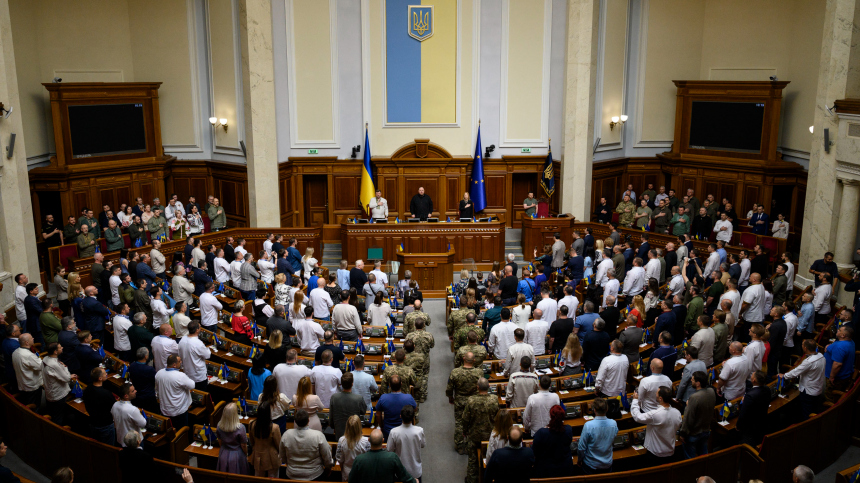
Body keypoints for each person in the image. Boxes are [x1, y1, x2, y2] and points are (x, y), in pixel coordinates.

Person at [462, 378, 500, 483]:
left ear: (477, 387)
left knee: (473, 459)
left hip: (474, 434)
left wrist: (464, 431)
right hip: (490, 435)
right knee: (490, 457)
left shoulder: (471, 400)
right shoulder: (494, 399)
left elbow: (465, 418)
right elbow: (497, 417)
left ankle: (471, 480)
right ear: (488, 387)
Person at [631, 386, 682, 463]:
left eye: (657, 393)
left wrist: (635, 400)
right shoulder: (677, 413)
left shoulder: (656, 414)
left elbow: (637, 417)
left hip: (655, 454)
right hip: (670, 451)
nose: (655, 394)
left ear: (661, 398)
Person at [279, 408, 333, 480]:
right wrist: (328, 468)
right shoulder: (318, 435)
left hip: (292, 474)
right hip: (314, 475)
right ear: (308, 420)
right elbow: (327, 457)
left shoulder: (286, 434)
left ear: (295, 421)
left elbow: (282, 456)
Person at [446, 352, 484, 454]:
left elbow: (450, 388)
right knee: (472, 421)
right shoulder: (479, 373)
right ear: (474, 360)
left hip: (459, 401)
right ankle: (470, 444)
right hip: (474, 401)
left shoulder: (455, 372)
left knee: (459, 423)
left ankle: (459, 446)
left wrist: (450, 397)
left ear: (463, 359)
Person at [349, 428, 416, 483]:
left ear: (369, 440)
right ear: (383, 440)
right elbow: (404, 476)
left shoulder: (359, 459)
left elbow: (351, 480)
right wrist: (414, 481)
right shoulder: (392, 457)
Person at [781, 339, 825, 421]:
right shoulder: (821, 356)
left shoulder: (809, 362)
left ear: (805, 348)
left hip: (808, 391)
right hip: (818, 388)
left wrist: (784, 376)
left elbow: (795, 372)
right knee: (814, 408)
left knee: (807, 413)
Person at [531, 404, 575, 477]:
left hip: (546, 470)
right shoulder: (568, 429)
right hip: (565, 468)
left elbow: (534, 451)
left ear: (551, 416)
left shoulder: (542, 432)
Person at [679, 371, 715, 458]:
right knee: (704, 454)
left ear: (698, 383)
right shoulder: (711, 391)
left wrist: (683, 433)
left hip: (694, 433)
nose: (691, 381)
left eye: (693, 380)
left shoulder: (694, 398)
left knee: (690, 458)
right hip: (706, 430)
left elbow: (689, 418)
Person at [155, 354, 195, 429]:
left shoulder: (159, 373)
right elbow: (192, 385)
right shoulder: (180, 376)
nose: (181, 362)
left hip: (165, 410)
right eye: (179, 361)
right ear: (174, 365)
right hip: (179, 411)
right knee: (182, 433)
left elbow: (157, 389)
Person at [387, 405, 424, 481]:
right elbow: (423, 445)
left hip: (400, 472)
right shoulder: (419, 431)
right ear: (413, 417)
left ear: (400, 416)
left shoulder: (394, 432)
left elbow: (389, 449)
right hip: (415, 471)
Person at [376, 374, 417, 439]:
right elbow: (414, 410)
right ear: (401, 384)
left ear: (389, 385)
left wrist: (382, 426)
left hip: (388, 431)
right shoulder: (409, 398)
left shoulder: (383, 398)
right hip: (405, 431)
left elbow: (378, 414)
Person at [83, 367, 117, 445]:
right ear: (100, 378)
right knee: (108, 447)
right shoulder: (106, 394)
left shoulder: (87, 389)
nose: (106, 374)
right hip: (106, 425)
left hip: (93, 422)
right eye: (105, 373)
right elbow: (114, 407)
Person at [42, 342, 73, 424]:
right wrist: (65, 367)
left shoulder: (45, 359)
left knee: (53, 413)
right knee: (58, 416)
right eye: (60, 347)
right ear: (55, 351)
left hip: (50, 392)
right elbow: (66, 378)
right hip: (58, 395)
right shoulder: (54, 364)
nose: (62, 348)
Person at [737, 371, 771, 446]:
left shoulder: (750, 396)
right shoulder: (767, 389)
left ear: (754, 380)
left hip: (750, 428)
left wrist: (738, 426)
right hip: (762, 423)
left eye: (752, 375)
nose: (751, 376)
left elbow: (743, 413)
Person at [215, 403, 249, 475]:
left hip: (223, 453)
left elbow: (220, 441)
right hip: (236, 455)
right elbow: (243, 445)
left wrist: (223, 450)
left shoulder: (219, 425)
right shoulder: (240, 427)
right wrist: (246, 454)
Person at [824, 325, 855, 401]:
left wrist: (831, 377)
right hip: (845, 375)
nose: (837, 330)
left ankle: (829, 409)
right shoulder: (850, 341)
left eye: (839, 330)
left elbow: (837, 364)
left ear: (843, 335)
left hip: (837, 378)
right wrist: (829, 347)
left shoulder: (840, 347)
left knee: (830, 396)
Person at [111, 383, 146, 447]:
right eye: (133, 391)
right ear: (126, 396)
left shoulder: (115, 405)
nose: (136, 391)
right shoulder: (133, 410)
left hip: (120, 440)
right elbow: (143, 424)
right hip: (134, 442)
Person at [336, 415, 370, 481]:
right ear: (359, 427)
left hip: (347, 471)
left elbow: (340, 460)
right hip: (361, 472)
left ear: (347, 427)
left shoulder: (341, 440)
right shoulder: (366, 441)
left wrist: (343, 471)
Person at [12, 333, 42, 406]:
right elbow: (41, 366)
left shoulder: (15, 352)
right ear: (27, 342)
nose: (33, 338)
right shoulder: (29, 355)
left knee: (26, 402)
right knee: (34, 406)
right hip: (32, 386)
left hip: (23, 384)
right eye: (31, 338)